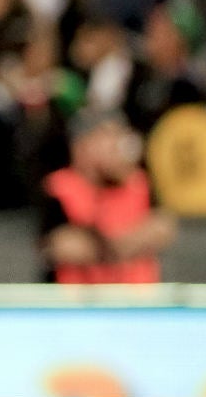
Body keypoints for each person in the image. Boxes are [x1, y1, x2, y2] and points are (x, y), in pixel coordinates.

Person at [38, 110, 176, 283]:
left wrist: (117, 244)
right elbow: (62, 246)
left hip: (136, 294)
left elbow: (161, 227)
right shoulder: (59, 186)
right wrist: (112, 246)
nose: (118, 148)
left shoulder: (139, 182)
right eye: (108, 139)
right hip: (78, 294)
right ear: (81, 146)